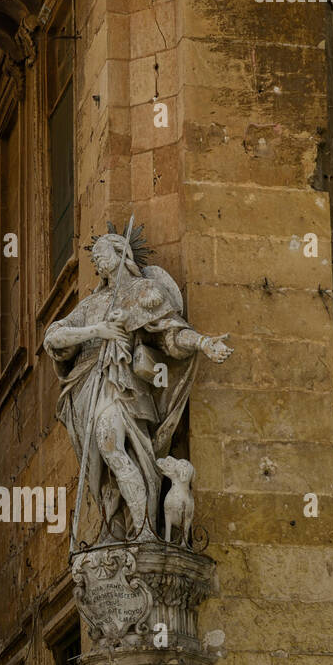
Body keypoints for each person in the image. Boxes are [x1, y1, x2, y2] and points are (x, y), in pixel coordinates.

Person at [44, 227, 232, 541]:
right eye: (93, 256)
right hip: (87, 389)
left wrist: (203, 343)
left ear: (123, 253)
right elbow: (53, 338)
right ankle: (118, 527)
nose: (96, 259)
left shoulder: (145, 292)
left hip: (123, 386)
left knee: (112, 446)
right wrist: (98, 331)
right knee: (105, 464)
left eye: (102, 251)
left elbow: (171, 334)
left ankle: (143, 529)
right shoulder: (91, 306)